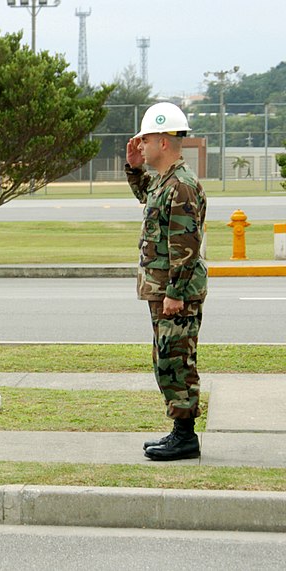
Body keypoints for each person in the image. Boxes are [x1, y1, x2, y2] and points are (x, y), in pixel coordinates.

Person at [125, 102, 207, 462]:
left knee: (176, 362)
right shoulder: (165, 181)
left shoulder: (182, 186)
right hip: (163, 290)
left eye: (145, 140)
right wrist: (133, 169)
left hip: (175, 294)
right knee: (166, 360)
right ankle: (179, 431)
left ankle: (185, 437)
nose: (140, 145)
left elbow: (186, 246)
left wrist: (174, 293)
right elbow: (148, 197)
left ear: (163, 140)